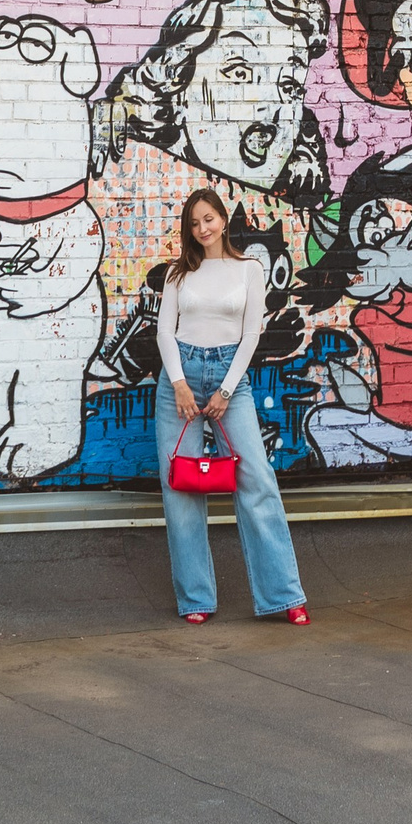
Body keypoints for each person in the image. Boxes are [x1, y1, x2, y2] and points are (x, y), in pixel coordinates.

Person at [155, 186, 308, 625]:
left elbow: (251, 335)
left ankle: (284, 596)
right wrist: (180, 385)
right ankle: (196, 599)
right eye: (194, 223)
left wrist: (225, 390)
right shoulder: (178, 273)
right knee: (181, 489)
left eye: (209, 219)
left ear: (223, 219)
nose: (203, 228)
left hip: (230, 380)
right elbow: (165, 331)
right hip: (179, 381)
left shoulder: (249, 269)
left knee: (257, 479)